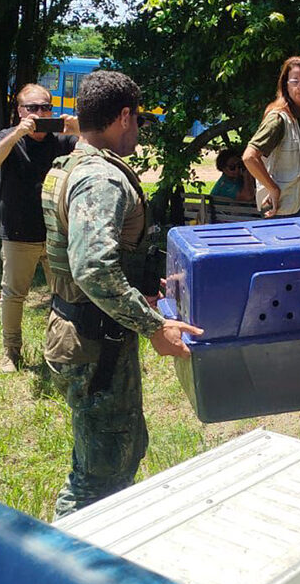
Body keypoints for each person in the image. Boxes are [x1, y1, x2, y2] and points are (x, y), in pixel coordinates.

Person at [39, 70, 203, 520]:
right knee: (101, 473)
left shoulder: (72, 165)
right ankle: (68, 555)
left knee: (111, 452)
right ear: (124, 116)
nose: (137, 129)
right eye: (137, 118)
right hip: (95, 343)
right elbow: (92, 267)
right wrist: (154, 327)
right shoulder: (101, 179)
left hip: (85, 331)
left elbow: (94, 258)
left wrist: (146, 288)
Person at [0, 83, 80, 373]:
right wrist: (17, 133)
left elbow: (101, 152)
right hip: (18, 231)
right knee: (13, 295)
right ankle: (11, 352)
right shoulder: (10, 137)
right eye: (32, 108)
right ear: (20, 110)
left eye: (45, 108)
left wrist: (78, 130)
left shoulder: (62, 138)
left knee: (65, 295)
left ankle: (60, 350)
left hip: (56, 232)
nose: (40, 113)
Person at [242, 56, 300, 218]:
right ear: (285, 85)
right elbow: (249, 157)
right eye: (295, 81)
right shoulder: (278, 118)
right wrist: (272, 188)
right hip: (283, 207)